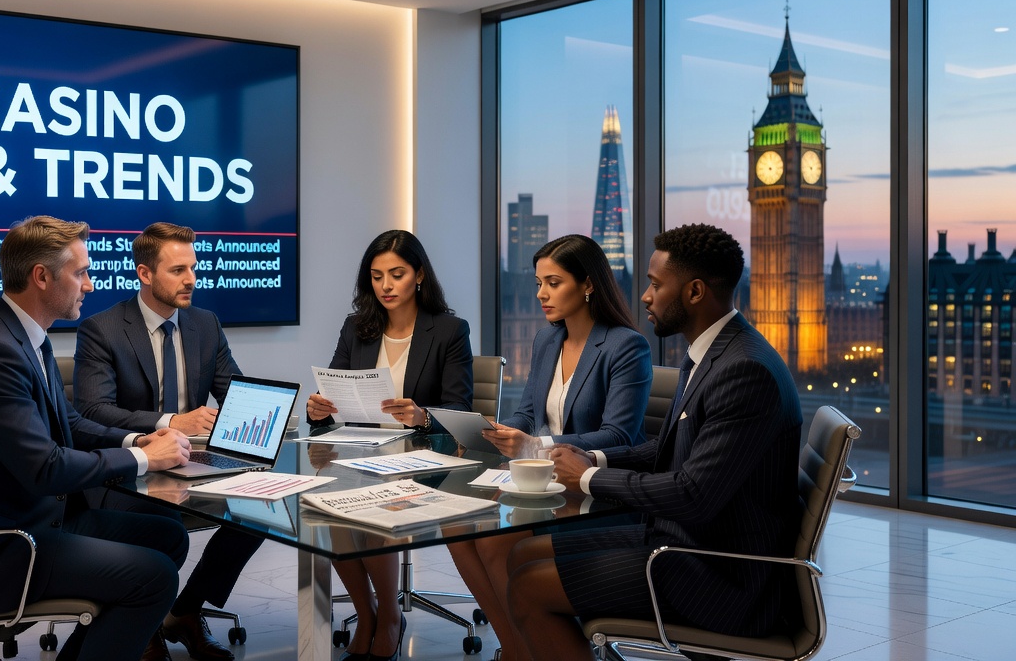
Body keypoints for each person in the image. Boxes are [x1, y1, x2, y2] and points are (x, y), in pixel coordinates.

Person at [505, 223, 803, 661]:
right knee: (521, 555)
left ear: (695, 292)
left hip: (722, 576)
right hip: (681, 543)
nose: (645, 296)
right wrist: (594, 456)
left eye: (656, 284)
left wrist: (586, 477)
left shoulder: (744, 370)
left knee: (529, 587)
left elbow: (693, 494)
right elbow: (665, 450)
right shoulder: (710, 353)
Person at [0, 215, 194, 661]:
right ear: (41, 277)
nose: (91, 284)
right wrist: (146, 461)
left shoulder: (26, 337)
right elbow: (46, 467)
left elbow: (70, 425)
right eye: (80, 272)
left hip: (27, 520)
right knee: (155, 577)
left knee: (168, 537)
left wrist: (138, 441)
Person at [445, 234, 650, 661]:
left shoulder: (625, 346)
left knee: (495, 541)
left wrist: (536, 443)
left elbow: (619, 436)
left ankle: (527, 650)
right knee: (456, 527)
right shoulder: (546, 340)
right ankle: (516, 645)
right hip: (539, 482)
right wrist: (499, 432)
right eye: (538, 283)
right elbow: (526, 413)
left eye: (553, 283)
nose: (541, 294)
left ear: (588, 284)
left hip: (593, 490)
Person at [73, 222, 262, 661]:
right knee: (161, 520)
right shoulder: (102, 329)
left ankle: (184, 610)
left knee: (261, 510)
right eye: (178, 270)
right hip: (129, 469)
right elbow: (91, 412)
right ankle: (144, 621)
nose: (191, 279)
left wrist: (262, 416)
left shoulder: (205, 324)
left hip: (193, 463)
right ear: (145, 274)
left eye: (192, 268)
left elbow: (233, 390)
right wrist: (173, 420)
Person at [305, 229, 473, 661]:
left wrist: (421, 416)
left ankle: (392, 619)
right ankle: (369, 611)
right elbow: (334, 389)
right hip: (359, 451)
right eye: (377, 276)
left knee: (376, 510)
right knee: (326, 509)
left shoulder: (450, 330)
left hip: (425, 459)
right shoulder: (356, 328)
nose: (386, 286)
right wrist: (318, 409)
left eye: (396, 274)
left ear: (418, 275)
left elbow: (458, 409)